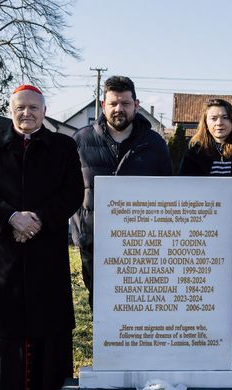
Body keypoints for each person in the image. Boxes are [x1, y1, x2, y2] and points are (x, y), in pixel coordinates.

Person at [0, 85, 83, 390]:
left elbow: (73, 192)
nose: (27, 113)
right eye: (20, 108)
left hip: (46, 250)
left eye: (34, 107)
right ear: (10, 109)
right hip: (5, 251)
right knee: (4, 325)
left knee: (49, 324)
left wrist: (38, 220)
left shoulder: (63, 146)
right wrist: (10, 217)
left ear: (44, 111)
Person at [178, 98, 232, 373]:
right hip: (202, 247)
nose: (219, 123)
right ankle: (204, 366)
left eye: (225, 117)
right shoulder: (193, 153)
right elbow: (182, 197)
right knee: (203, 308)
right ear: (205, 122)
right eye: (213, 118)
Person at [71, 75, 171, 305]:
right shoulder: (80, 140)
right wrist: (81, 232)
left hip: (142, 245)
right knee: (101, 306)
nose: (119, 109)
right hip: (94, 242)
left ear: (136, 105)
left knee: (138, 307)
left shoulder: (155, 144)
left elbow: (167, 194)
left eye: (125, 103)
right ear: (103, 105)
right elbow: (68, 191)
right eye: (113, 103)